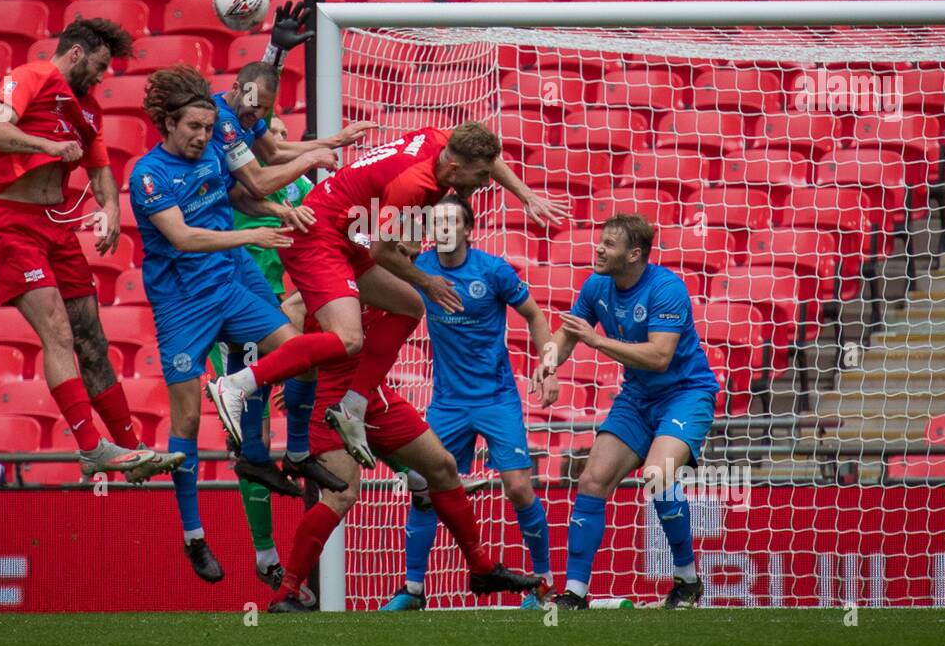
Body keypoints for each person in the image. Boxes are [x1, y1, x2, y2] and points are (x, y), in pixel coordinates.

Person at [211, 124, 568, 470]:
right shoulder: (412, 184)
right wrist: (428, 282)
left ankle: (352, 406)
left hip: (347, 232)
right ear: (456, 168)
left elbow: (489, 160)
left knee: (409, 307)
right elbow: (382, 251)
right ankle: (239, 384)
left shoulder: (442, 142)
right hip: (318, 238)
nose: (485, 182)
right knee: (349, 338)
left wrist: (527, 195)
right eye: (480, 176)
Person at [130, 64, 330, 583]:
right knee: (187, 423)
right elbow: (183, 238)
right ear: (168, 125)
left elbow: (238, 194)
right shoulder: (148, 175)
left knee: (302, 355)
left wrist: (275, 211)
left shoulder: (215, 151)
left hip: (230, 286)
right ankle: (194, 537)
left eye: (205, 127)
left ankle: (294, 452)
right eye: (192, 128)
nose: (202, 136)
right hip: (182, 304)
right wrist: (252, 236)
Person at [0, 17, 178, 482]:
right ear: (75, 54)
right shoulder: (30, 77)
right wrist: (48, 146)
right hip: (11, 223)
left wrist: (110, 208)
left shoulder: (89, 110)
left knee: (93, 342)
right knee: (59, 333)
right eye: (101, 65)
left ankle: (131, 452)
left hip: (55, 230)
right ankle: (92, 449)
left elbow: (100, 169)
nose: (103, 76)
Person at [266, 306, 546, 613]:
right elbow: (290, 312)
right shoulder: (326, 278)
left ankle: (480, 568)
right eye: (406, 253)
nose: (410, 256)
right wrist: (295, 383)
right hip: (327, 397)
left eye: (413, 254)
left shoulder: (388, 278)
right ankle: (288, 591)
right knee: (342, 493)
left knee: (442, 466)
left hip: (371, 393)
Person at [532, 214, 721, 610]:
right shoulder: (597, 285)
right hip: (637, 398)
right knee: (592, 480)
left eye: (609, 245)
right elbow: (566, 334)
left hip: (686, 393)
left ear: (634, 254)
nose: (598, 249)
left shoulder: (667, 288)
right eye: (600, 241)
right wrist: (548, 364)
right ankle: (575, 593)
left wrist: (597, 342)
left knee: (657, 476)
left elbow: (659, 356)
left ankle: (687, 581)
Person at [381, 195, 558, 611]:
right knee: (424, 489)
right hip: (447, 402)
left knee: (517, 488)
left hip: (496, 398)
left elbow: (534, 315)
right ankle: (412, 589)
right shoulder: (418, 269)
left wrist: (547, 367)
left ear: (467, 230)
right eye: (436, 221)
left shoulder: (492, 270)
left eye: (450, 222)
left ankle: (544, 585)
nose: (442, 228)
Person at [206, 113, 346, 593]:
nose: (280, 143)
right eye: (273, 137)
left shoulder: (302, 188)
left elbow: (327, 246)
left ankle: (298, 562)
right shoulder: (236, 187)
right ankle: (266, 553)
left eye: (286, 136)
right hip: (238, 318)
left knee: (310, 424)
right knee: (254, 440)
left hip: (286, 315)